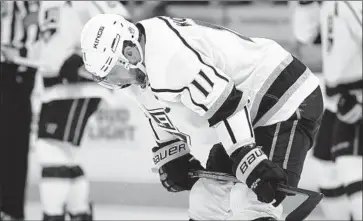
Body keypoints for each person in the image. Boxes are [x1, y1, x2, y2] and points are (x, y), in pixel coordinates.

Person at [80, 14, 324, 220]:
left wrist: (247, 157)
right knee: (205, 201)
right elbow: (156, 108)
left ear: (129, 52)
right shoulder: (139, 65)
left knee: (250, 201)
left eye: (112, 72)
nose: (112, 82)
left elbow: (226, 104)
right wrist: (173, 154)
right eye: (105, 78)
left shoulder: (171, 57)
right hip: (246, 109)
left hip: (284, 96)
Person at [34, 2, 131, 221]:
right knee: (64, 156)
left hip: (74, 85)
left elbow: (122, 26)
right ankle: (79, 214)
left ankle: (55, 215)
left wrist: (85, 63)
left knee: (50, 151)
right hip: (58, 85)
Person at [292, 1, 362, 220]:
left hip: (356, 99)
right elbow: (306, 35)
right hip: (336, 101)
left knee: (351, 168)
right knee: (326, 172)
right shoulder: (328, 4)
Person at [0, 1, 40, 220]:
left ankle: (11, 210)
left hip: (15, 69)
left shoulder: (28, 4)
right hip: (12, 70)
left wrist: (21, 51)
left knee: (12, 144)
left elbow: (36, 25)